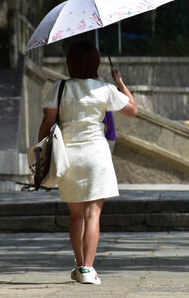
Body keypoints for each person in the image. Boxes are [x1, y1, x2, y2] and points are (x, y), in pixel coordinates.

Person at [38, 40, 137, 284]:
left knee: (76, 215)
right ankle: (88, 269)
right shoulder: (105, 89)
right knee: (93, 214)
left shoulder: (59, 88)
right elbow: (133, 109)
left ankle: (80, 265)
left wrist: (42, 153)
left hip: (68, 155)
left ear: (69, 63)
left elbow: (46, 124)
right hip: (97, 156)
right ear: (96, 63)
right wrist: (120, 82)